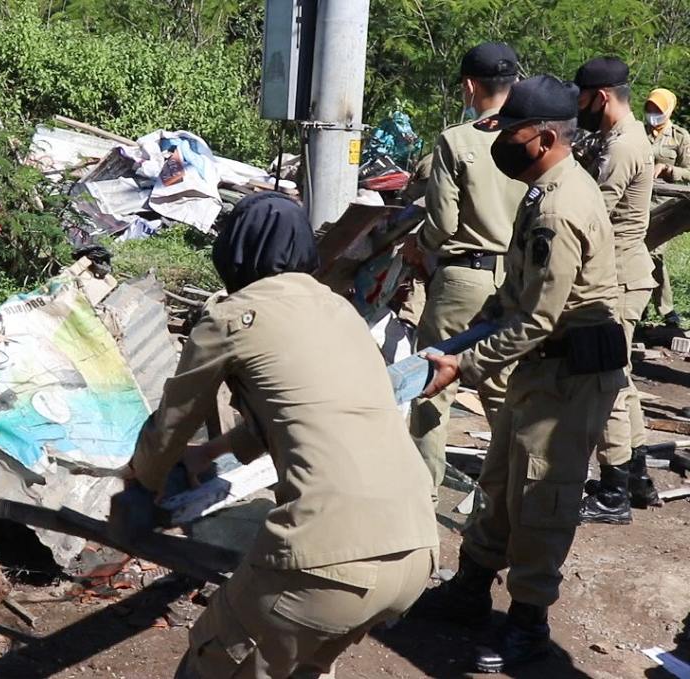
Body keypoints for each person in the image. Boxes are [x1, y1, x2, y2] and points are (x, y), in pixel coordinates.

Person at [126, 192, 439, 679]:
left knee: (212, 663)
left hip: (327, 558)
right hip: (416, 550)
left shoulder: (231, 319)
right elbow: (304, 413)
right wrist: (211, 451)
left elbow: (171, 422)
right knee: (300, 668)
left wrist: (138, 480)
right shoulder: (340, 313)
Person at [412, 74, 627, 673]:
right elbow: (514, 295)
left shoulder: (559, 207)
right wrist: (465, 336)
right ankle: (470, 589)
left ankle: (528, 624)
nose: (499, 140)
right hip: (539, 369)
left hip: (568, 380)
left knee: (542, 497)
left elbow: (536, 318)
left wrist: (464, 363)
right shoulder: (543, 191)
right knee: (503, 477)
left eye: (509, 131)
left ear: (540, 136)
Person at [400, 42, 526, 501]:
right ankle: (515, 491)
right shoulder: (535, 137)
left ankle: (421, 494)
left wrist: (418, 246)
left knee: (433, 384)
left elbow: (443, 224)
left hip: (463, 279)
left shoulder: (458, 140)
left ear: (471, 86)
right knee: (501, 391)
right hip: (516, 279)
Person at [572, 57, 661, 524]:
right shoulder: (619, 139)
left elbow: (589, 213)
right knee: (622, 380)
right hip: (627, 273)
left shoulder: (623, 146)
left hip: (619, 277)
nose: (579, 108)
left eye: (582, 99)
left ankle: (614, 491)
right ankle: (637, 475)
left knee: (606, 382)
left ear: (601, 97)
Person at [644, 87, 690, 326]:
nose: (652, 115)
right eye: (649, 109)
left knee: (653, 252)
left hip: (667, 205)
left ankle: (666, 308)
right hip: (638, 203)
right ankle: (640, 303)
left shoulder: (680, 137)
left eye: (658, 110)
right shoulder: (638, 133)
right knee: (637, 250)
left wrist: (670, 171)